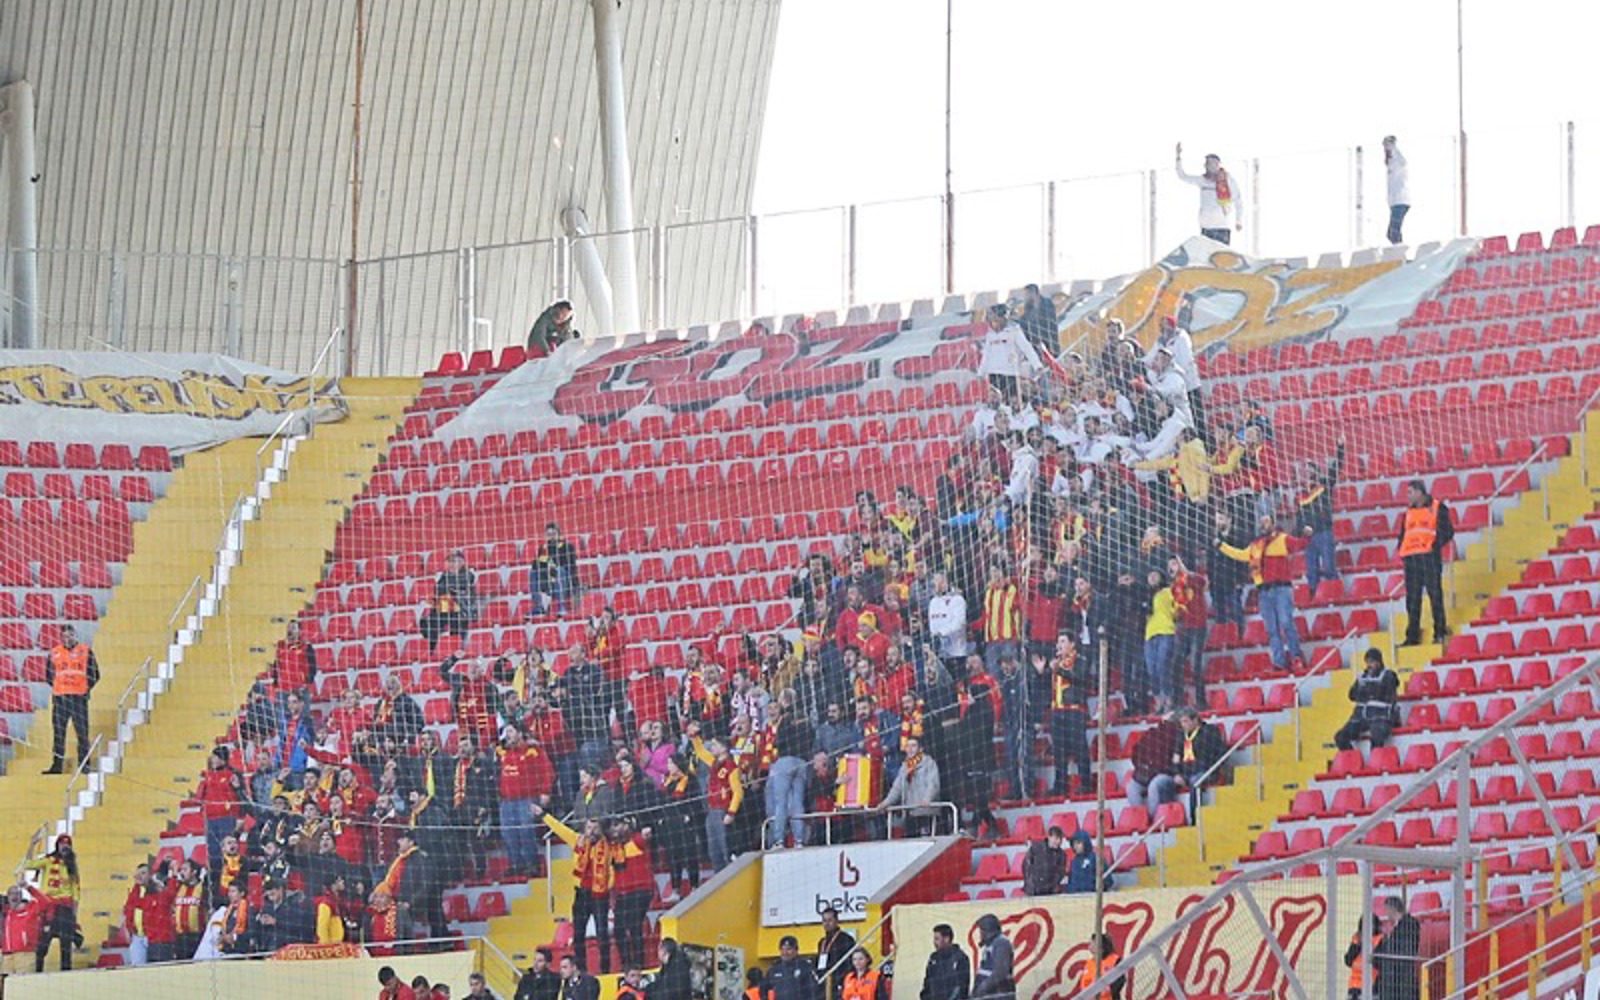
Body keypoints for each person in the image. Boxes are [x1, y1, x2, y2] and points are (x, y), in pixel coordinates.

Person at [1215, 515, 1310, 671]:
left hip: (1281, 588)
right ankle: (1279, 661)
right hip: (1264, 591)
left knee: (1286, 622)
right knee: (1272, 629)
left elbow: (1300, 544)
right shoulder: (1256, 545)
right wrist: (1222, 546)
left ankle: (1296, 656)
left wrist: (1307, 535)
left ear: (1273, 523)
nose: (1263, 524)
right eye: (1262, 522)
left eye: (1266, 521)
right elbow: (1240, 554)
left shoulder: (1282, 538)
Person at [540, 814, 613, 974]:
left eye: (595, 828)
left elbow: (612, 869)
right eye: (589, 828)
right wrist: (543, 816)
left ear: (601, 830)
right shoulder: (577, 840)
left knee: (602, 934)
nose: (592, 831)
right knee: (578, 934)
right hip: (581, 894)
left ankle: (605, 970)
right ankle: (581, 970)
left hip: (600, 895)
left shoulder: (608, 845)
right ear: (584, 829)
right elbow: (559, 829)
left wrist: (608, 886)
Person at [1397, 480, 1453, 647]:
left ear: (1419, 492)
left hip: (1429, 558)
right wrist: (1402, 550)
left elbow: (1448, 531)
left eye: (1410, 492)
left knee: (1435, 595)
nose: (1408, 496)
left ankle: (1440, 631)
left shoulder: (1437, 507)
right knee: (1412, 600)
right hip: (1412, 560)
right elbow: (1404, 534)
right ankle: (1412, 636)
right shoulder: (1408, 513)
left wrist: (1434, 545)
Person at [43, 623, 99, 774]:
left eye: (70, 635)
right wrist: (60, 688)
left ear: (75, 635)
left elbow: (95, 674)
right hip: (60, 699)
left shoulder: (85, 651)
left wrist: (84, 689)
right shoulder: (54, 653)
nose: (68, 639)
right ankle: (57, 766)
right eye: (65, 636)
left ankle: (84, 765)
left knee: (82, 733)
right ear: (61, 637)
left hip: (78, 699)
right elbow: (48, 676)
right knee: (58, 734)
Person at [1295, 440, 1347, 596]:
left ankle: (1335, 593)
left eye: (1311, 472)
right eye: (1306, 473)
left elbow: (1335, 469)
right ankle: (1314, 597)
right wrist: (1301, 530)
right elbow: (1298, 519)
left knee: (1329, 566)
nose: (1308, 476)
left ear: (1317, 473)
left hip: (1324, 532)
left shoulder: (1324, 486)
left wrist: (1340, 449)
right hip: (1308, 538)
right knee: (1311, 571)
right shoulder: (1301, 496)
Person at [23, 834, 79, 972]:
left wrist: (74, 913)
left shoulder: (72, 865)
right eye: (62, 843)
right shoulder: (48, 860)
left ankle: (66, 972)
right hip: (48, 906)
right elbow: (28, 864)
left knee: (66, 943)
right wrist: (32, 844)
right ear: (57, 845)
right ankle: (37, 971)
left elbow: (76, 890)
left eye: (67, 844)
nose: (65, 846)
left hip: (65, 907)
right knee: (43, 941)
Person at [1335, 649, 1399, 751]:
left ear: (1379, 662)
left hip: (1381, 717)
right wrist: (1368, 691)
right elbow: (1352, 695)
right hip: (1361, 717)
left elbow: (1386, 691)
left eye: (1372, 662)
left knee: (1377, 736)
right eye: (1367, 662)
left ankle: (1375, 759)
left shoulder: (1388, 675)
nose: (1369, 665)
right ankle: (1353, 758)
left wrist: (1367, 690)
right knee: (1340, 737)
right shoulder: (1363, 677)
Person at [977, 304, 1043, 404]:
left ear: (1004, 318)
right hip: (993, 373)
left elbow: (1027, 349)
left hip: (1010, 373)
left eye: (998, 318)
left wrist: (1037, 366)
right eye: (993, 318)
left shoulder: (1014, 331)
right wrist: (981, 373)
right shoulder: (990, 334)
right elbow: (986, 355)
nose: (995, 321)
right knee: (997, 402)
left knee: (1012, 401)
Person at [1175, 143, 1241, 244]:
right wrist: (1178, 157)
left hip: (1222, 227)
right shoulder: (1202, 180)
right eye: (1209, 163)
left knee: (1221, 253)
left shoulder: (1227, 180)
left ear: (1218, 165)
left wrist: (1238, 220)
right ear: (1205, 165)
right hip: (1206, 227)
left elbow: (1238, 199)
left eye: (1214, 163)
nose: (1212, 166)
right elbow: (1182, 176)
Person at [878, 736, 941, 835]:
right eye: (908, 746)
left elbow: (933, 784)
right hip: (910, 812)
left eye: (913, 746)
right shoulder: (904, 767)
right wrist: (885, 803)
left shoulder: (929, 763)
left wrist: (927, 800)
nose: (910, 749)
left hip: (926, 812)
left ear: (920, 749)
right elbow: (896, 788)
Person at [420, 551, 478, 652]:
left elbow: (457, 588)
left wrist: (447, 590)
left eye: (454, 561)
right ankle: (432, 648)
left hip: (462, 609)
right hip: (447, 607)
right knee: (427, 621)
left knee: (455, 620)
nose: (451, 564)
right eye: (450, 561)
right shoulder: (445, 576)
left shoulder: (468, 575)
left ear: (462, 562)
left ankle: (458, 648)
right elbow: (438, 589)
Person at [122, 862, 177, 964]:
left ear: (150, 875)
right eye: (137, 873)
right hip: (137, 937)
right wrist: (127, 929)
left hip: (153, 937)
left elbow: (170, 896)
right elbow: (128, 912)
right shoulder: (134, 893)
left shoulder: (156, 890)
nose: (139, 876)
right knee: (138, 967)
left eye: (143, 873)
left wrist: (173, 874)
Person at [1373, 897, 1420, 1000]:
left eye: (1386, 910)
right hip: (1393, 981)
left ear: (1391, 909)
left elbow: (1404, 951)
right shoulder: (1396, 930)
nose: (1386, 914)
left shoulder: (1409, 924)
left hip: (1401, 981)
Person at [530, 523, 580, 615]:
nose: (551, 537)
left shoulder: (567, 546)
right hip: (548, 581)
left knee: (559, 570)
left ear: (559, 534)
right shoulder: (543, 548)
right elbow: (537, 565)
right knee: (533, 573)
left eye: (553, 534)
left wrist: (551, 564)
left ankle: (562, 606)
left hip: (565, 581)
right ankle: (538, 607)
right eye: (549, 535)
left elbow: (570, 567)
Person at [1, 881, 46, 975]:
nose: (14, 896)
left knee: (24, 981)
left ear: (21, 896)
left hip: (25, 954)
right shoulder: (6, 913)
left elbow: (45, 902)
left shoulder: (30, 909)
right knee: (6, 982)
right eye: (11, 894)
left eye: (17, 893)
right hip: (7, 956)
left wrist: (28, 887)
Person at [920, 923, 971, 1000]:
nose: (934, 942)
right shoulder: (933, 958)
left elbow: (962, 987)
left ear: (946, 939)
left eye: (937, 939)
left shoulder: (961, 958)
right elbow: (927, 983)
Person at [972, 915, 1015, 1000]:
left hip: (998, 995)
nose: (980, 934)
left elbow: (1000, 972)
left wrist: (983, 988)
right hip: (990, 995)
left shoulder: (1001, 943)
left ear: (988, 930)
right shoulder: (991, 944)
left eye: (981, 930)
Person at [817, 908, 856, 1000]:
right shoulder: (822, 942)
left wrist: (843, 982)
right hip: (824, 985)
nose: (827, 923)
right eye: (824, 921)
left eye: (830, 920)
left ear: (837, 921)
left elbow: (850, 964)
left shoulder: (846, 939)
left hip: (840, 985)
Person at [768, 935, 821, 1000]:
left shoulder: (805, 967)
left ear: (796, 950)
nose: (785, 952)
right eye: (782, 949)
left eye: (789, 949)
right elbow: (764, 988)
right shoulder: (775, 968)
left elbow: (814, 991)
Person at [1345, 915, 1385, 1000]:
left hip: (1371, 984)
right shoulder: (1357, 939)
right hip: (1355, 985)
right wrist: (1357, 944)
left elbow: (1379, 963)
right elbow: (1348, 961)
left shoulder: (1380, 940)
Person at [1020, 826, 1067, 896]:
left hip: (1050, 891)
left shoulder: (1061, 854)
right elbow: (1026, 866)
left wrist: (1053, 886)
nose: (1058, 841)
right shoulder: (1035, 848)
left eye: (1060, 839)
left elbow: (1060, 872)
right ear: (1049, 837)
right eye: (1056, 838)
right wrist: (1030, 883)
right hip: (1033, 890)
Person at [1077, 933, 1124, 1000]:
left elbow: (1120, 981)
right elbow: (1084, 983)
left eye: (1091, 943)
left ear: (1099, 945)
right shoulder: (1089, 963)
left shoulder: (1114, 960)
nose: (1089, 945)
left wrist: (1104, 993)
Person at [1017, 283, 1058, 358]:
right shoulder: (1028, 310)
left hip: (1048, 344)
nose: (1025, 297)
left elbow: (1050, 324)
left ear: (1034, 293)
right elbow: (1025, 323)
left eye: (1027, 294)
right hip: (1034, 347)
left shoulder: (1047, 305)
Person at [1383, 136, 1410, 245]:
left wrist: (1392, 147)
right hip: (1395, 202)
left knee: (1394, 232)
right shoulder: (1391, 164)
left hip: (1400, 200)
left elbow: (1403, 162)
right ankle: (1398, 248)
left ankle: (1399, 249)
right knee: (1391, 233)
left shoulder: (1398, 161)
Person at [1063, 830, 1108, 895]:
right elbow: (1071, 881)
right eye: (1074, 844)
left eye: (1078, 843)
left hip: (1092, 896)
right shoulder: (1074, 861)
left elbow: (1106, 880)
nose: (1076, 846)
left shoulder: (1096, 858)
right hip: (1074, 897)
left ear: (1085, 843)